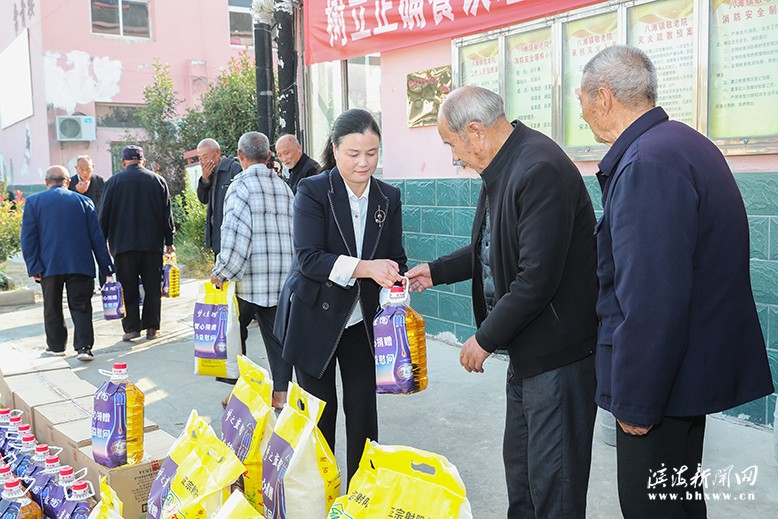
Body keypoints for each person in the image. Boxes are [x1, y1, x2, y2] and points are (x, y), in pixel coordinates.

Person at [579, 45, 774, 519]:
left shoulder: (647, 163)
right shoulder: (683, 143)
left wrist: (636, 401)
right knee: (680, 502)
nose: (582, 113)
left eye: (582, 99)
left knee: (653, 507)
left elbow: (650, 299)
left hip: (661, 385)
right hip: (686, 374)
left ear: (603, 97)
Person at [406, 86, 599, 519]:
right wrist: (435, 271)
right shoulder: (503, 164)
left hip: (557, 357)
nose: (455, 157)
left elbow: (536, 279)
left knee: (555, 484)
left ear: (475, 132)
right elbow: (492, 249)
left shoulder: (538, 168)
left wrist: (484, 338)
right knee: (525, 474)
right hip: (529, 352)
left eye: (452, 146)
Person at [274, 109, 407, 484]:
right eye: (353, 154)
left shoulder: (388, 197)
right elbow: (309, 259)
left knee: (364, 412)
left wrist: (396, 288)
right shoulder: (314, 190)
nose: (364, 163)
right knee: (320, 416)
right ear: (335, 150)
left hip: (361, 320)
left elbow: (395, 257)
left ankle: (361, 495)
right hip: (314, 317)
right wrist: (367, 267)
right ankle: (323, 495)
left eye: (372, 152)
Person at [209, 132, 295, 410]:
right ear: (269, 155)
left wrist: (222, 271)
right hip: (282, 279)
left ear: (240, 155)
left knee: (231, 332)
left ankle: (241, 392)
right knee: (277, 338)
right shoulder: (284, 187)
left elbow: (236, 234)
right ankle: (281, 396)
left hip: (249, 281)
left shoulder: (240, 186)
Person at [21, 166, 114, 361]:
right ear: (68, 182)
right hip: (80, 264)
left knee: (52, 306)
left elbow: (28, 238)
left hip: (49, 265)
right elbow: (97, 237)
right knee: (81, 305)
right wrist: (106, 266)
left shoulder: (33, 202)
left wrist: (34, 266)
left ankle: (56, 347)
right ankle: (84, 348)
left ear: (46, 183)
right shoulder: (84, 201)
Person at [100, 145, 175, 342]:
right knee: (152, 287)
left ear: (123, 162)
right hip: (151, 245)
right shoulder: (157, 180)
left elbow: (104, 215)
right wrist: (169, 241)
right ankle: (152, 327)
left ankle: (131, 328)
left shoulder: (113, 182)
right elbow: (167, 214)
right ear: (143, 161)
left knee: (128, 286)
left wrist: (103, 240)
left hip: (123, 246)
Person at [196, 138, 242, 256]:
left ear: (217, 153)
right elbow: (203, 199)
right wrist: (205, 180)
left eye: (205, 157)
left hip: (233, 238)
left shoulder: (234, 169)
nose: (202, 162)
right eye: (199, 158)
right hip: (217, 237)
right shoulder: (209, 174)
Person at [69, 155, 107, 287]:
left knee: (102, 256)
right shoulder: (70, 183)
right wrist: (77, 192)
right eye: (81, 169)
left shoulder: (100, 181)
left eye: (88, 169)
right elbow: (67, 204)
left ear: (93, 168)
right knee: (83, 259)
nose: (85, 172)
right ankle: (87, 286)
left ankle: (104, 285)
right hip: (78, 227)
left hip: (98, 225)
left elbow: (105, 203)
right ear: (76, 169)